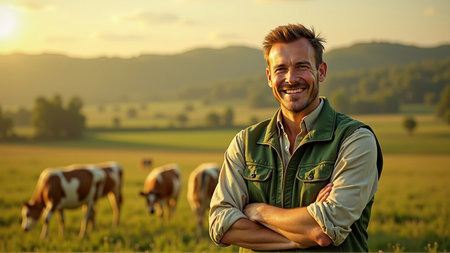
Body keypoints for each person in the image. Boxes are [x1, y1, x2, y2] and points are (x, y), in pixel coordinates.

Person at [208, 24, 383, 252]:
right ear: (270, 77)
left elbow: (323, 228)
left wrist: (257, 211)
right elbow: (221, 224)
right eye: (281, 69)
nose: (291, 78)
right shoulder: (245, 142)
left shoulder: (355, 139)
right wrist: (300, 236)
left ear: (321, 71)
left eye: (301, 66)